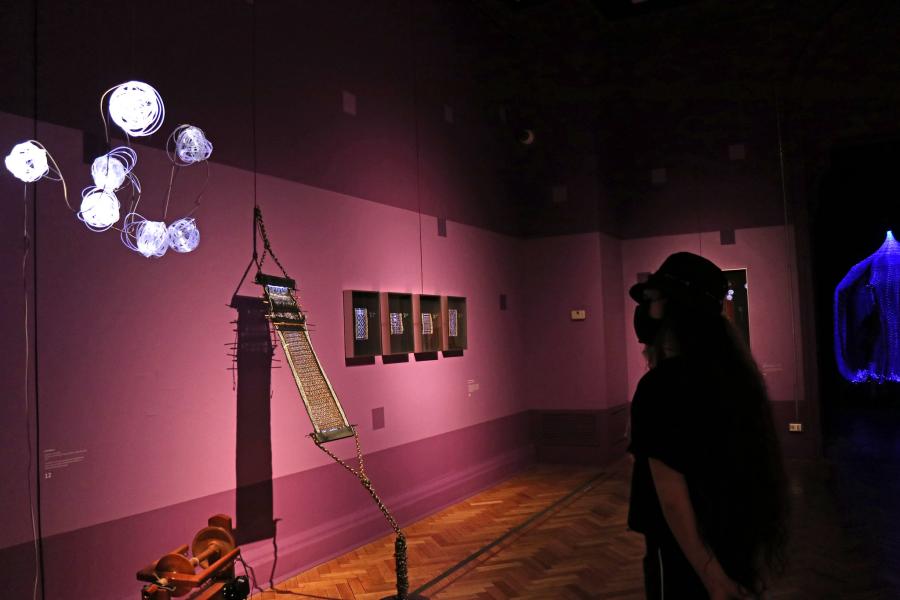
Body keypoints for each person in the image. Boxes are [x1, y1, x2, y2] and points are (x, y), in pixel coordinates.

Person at [627, 252, 789, 599]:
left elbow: (672, 497)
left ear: (676, 308)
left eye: (653, 299)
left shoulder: (660, 387)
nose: (645, 311)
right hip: (733, 536)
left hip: (685, 553)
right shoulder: (735, 378)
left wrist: (711, 577)